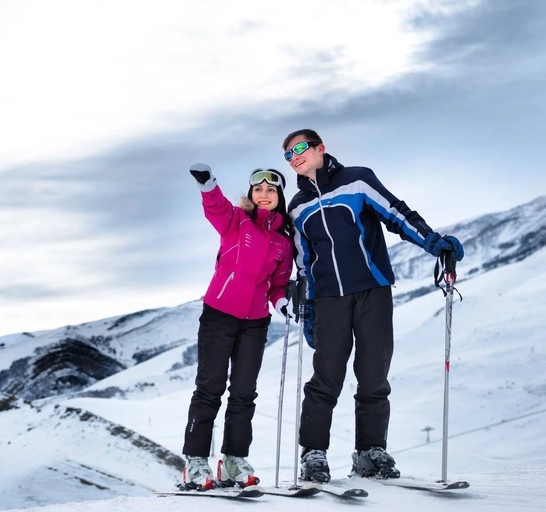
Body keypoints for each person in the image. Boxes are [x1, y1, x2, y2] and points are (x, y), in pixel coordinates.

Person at [280, 129, 464, 483]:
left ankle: (369, 452)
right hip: (331, 299)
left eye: (300, 148)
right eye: (288, 155)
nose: (295, 157)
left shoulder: (357, 180)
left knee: (373, 373)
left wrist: (433, 242)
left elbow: (397, 214)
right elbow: (304, 261)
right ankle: (313, 453)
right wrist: (310, 307)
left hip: (372, 290)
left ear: (320, 148)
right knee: (326, 377)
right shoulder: (297, 206)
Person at [181, 164, 294, 490]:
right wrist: (208, 184)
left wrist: (281, 301)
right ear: (251, 193)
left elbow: (279, 284)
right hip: (219, 314)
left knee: (244, 394)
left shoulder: (283, 244)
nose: (263, 194)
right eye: (258, 189)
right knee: (209, 389)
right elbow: (215, 207)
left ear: (279, 196)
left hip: (255, 324)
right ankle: (196, 462)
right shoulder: (237, 220)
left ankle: (233, 461)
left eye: (270, 190)